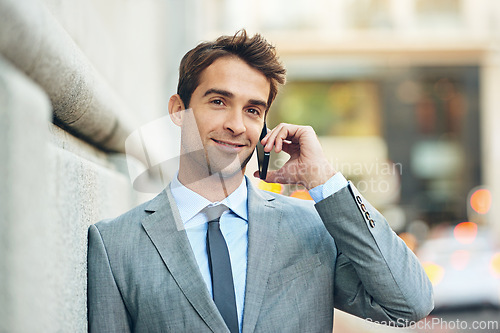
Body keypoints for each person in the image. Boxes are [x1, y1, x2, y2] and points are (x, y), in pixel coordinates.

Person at [87, 30, 433, 333]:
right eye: (219, 102)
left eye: (253, 110)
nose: (237, 125)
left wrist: (324, 180)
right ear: (179, 110)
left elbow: (409, 304)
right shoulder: (116, 244)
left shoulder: (310, 229)